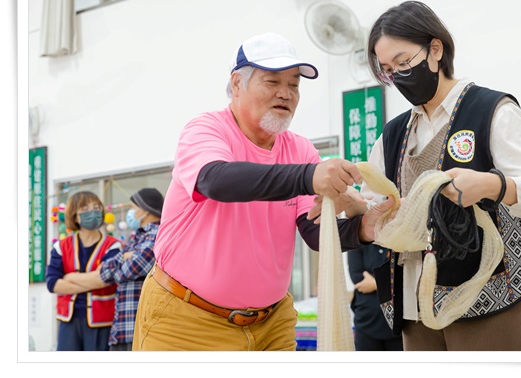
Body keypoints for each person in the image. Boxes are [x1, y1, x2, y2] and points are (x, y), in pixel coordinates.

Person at [132, 32, 395, 351]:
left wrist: (364, 229)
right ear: (237, 84)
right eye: (272, 82)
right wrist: (310, 176)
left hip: (272, 324)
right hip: (188, 320)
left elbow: (313, 232)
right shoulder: (207, 129)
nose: (286, 93)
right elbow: (216, 180)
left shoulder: (300, 149)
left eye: (294, 85)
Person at [358, 0, 521, 351]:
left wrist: (495, 185)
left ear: (435, 50)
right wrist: (350, 205)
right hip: (414, 303)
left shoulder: (491, 110)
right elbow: (372, 203)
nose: (397, 76)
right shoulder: (394, 134)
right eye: (387, 70)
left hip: (490, 296)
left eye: (403, 62)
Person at [45, 191, 122, 351]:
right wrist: (94, 280)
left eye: (96, 207)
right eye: (85, 209)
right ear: (75, 216)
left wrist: (70, 277)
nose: (92, 212)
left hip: (102, 321)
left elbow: (105, 279)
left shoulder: (113, 246)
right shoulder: (61, 246)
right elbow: (53, 283)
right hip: (69, 321)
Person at [96, 187, 164, 351]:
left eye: (133, 208)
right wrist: (125, 258)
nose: (130, 213)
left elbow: (130, 269)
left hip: (139, 328)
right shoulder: (136, 237)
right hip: (122, 328)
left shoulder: (156, 235)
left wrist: (124, 261)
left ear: (145, 211)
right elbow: (104, 271)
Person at [348, 243, 403, 351]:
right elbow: (357, 278)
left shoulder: (399, 243)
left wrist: (374, 284)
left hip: (398, 321)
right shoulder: (357, 244)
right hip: (366, 320)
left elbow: (404, 278)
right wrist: (387, 282)